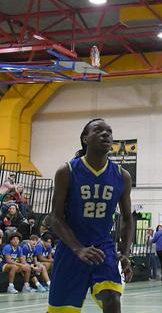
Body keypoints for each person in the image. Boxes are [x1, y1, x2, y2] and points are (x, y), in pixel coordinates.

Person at [48, 118, 133, 313]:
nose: (106, 134)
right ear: (85, 139)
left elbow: (128, 219)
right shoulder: (67, 171)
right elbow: (55, 217)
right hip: (71, 248)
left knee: (112, 299)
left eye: (109, 132)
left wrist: (126, 254)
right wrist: (78, 249)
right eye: (98, 130)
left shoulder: (122, 176)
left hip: (103, 247)